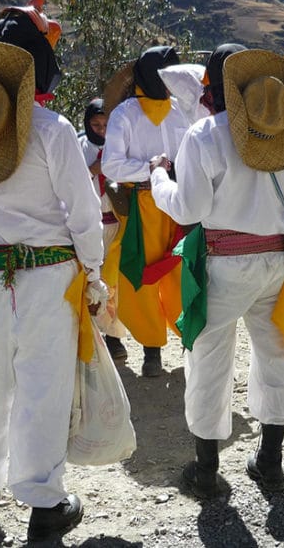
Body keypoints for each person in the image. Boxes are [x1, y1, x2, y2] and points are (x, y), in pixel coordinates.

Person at [0, 8, 108, 541]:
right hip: (49, 277)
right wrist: (95, 273)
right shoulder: (51, 130)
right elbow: (82, 213)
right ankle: (43, 506)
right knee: (44, 388)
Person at [149, 45, 284, 498]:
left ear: (213, 89)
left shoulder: (204, 133)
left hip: (221, 264)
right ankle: (270, 464)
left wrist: (159, 178)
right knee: (276, 354)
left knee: (208, 361)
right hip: (277, 261)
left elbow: (191, 208)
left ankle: (205, 472)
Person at [102, 45, 190, 377]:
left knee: (183, 270)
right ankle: (152, 349)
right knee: (145, 275)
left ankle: (189, 340)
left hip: (180, 203)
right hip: (142, 206)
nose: (170, 83)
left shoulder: (181, 111)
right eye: (165, 76)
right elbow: (111, 165)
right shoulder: (125, 114)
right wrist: (149, 169)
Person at [79, 98, 128, 361]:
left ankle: (114, 338)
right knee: (89, 281)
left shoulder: (120, 147)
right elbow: (70, 182)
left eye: (106, 125)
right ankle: (89, 335)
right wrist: (92, 170)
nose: (101, 130)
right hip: (88, 226)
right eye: (95, 124)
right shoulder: (79, 147)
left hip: (116, 225)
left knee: (114, 284)